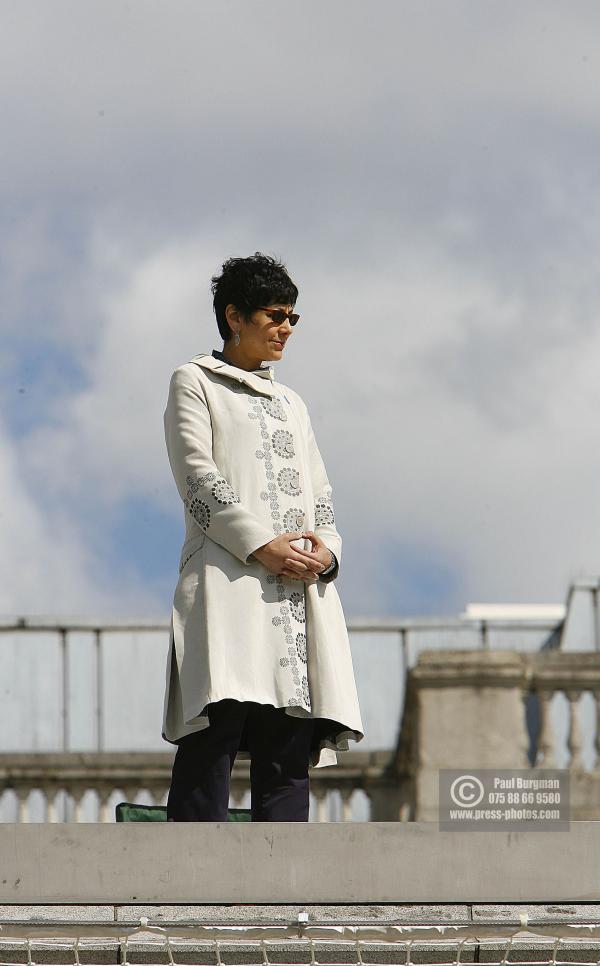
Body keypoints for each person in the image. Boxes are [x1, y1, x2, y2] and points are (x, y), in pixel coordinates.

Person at [162, 252, 364, 821]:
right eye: (275, 315)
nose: (286, 329)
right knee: (215, 732)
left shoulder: (292, 403)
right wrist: (264, 546)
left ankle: (287, 896)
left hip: (298, 594)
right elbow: (199, 481)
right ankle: (192, 890)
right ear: (234, 317)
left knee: (287, 747)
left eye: (293, 318)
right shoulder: (195, 382)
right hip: (228, 586)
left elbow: (320, 492)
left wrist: (326, 551)